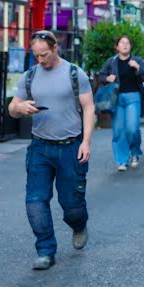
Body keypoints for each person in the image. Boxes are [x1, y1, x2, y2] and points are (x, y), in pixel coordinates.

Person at [8, 30, 95, 271]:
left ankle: (78, 224)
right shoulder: (30, 76)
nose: (40, 60)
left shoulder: (75, 74)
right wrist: (20, 108)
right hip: (40, 147)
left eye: (44, 55)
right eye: (36, 55)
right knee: (35, 201)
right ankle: (45, 250)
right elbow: (12, 107)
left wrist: (86, 141)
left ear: (55, 48)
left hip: (70, 147)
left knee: (71, 205)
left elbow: (89, 108)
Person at [97, 35, 144, 172]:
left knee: (132, 128)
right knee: (118, 130)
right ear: (117, 46)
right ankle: (121, 159)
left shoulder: (136, 60)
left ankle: (135, 152)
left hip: (133, 97)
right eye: (122, 43)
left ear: (130, 46)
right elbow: (101, 76)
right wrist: (107, 78)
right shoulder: (112, 62)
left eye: (127, 43)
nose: (125, 45)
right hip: (117, 99)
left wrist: (138, 67)